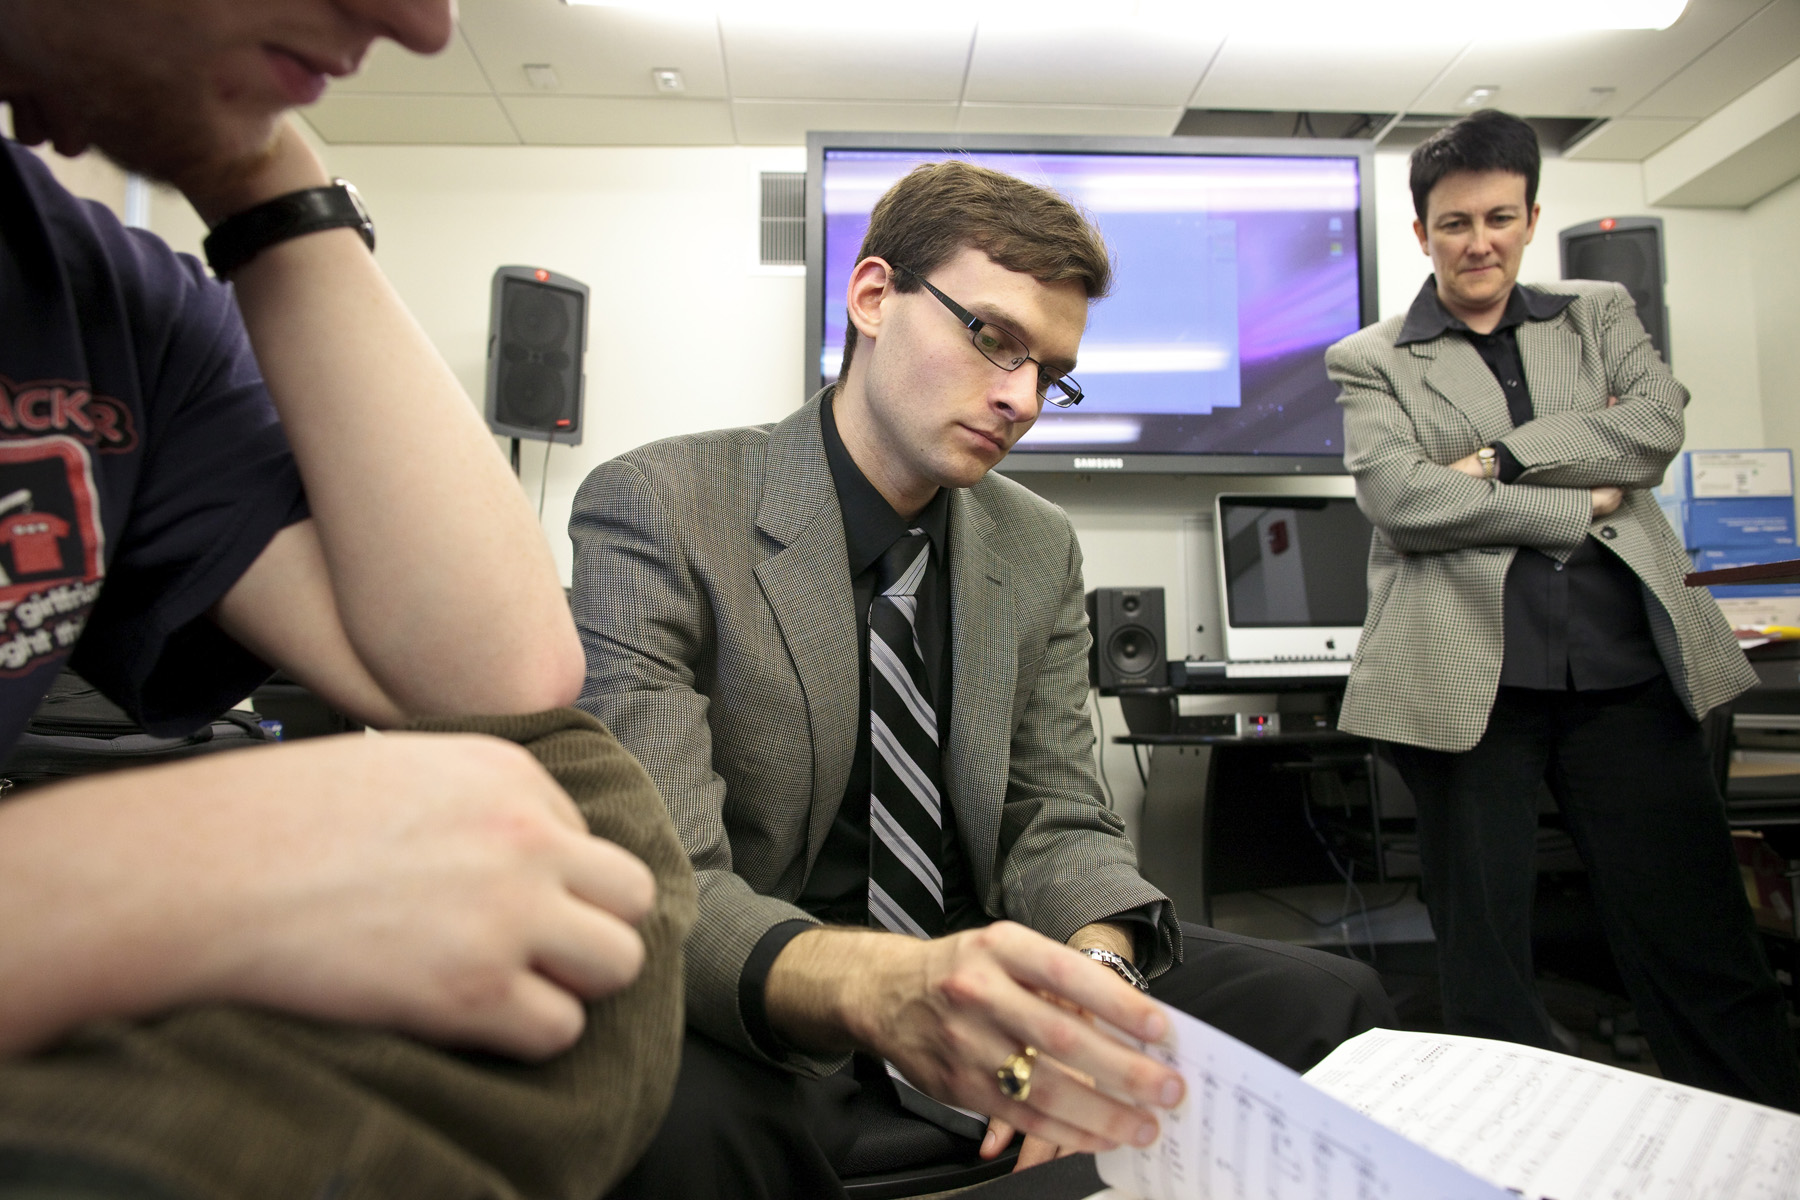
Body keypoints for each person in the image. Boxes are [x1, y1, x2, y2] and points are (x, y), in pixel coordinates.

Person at [572, 159, 1395, 1199]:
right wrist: (895, 988)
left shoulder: (1036, 546)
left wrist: (1090, 990)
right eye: (993, 338)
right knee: (665, 1118)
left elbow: (1057, 821)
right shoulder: (664, 506)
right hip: (780, 993)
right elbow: (666, 882)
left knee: (1331, 1003)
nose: (1020, 399)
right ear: (872, 297)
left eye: (1050, 372)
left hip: (996, 963)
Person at [0, 1, 693, 1195]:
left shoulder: (101, 294)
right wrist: (142, 878)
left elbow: (499, 681)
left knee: (572, 799)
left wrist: (261, 175)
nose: (425, 25)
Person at [1326, 108, 1800, 1109]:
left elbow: (1653, 429)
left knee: (1697, 935)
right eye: (1455, 222)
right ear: (1422, 234)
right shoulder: (1371, 357)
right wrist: (1575, 497)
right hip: (1469, 686)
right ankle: (1511, 1145)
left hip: (1627, 670)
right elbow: (1403, 499)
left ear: (1532, 217)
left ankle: (1765, 1127)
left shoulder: (1597, 312)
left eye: (1500, 216)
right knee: (1485, 959)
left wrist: (1502, 462)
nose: (1479, 240)